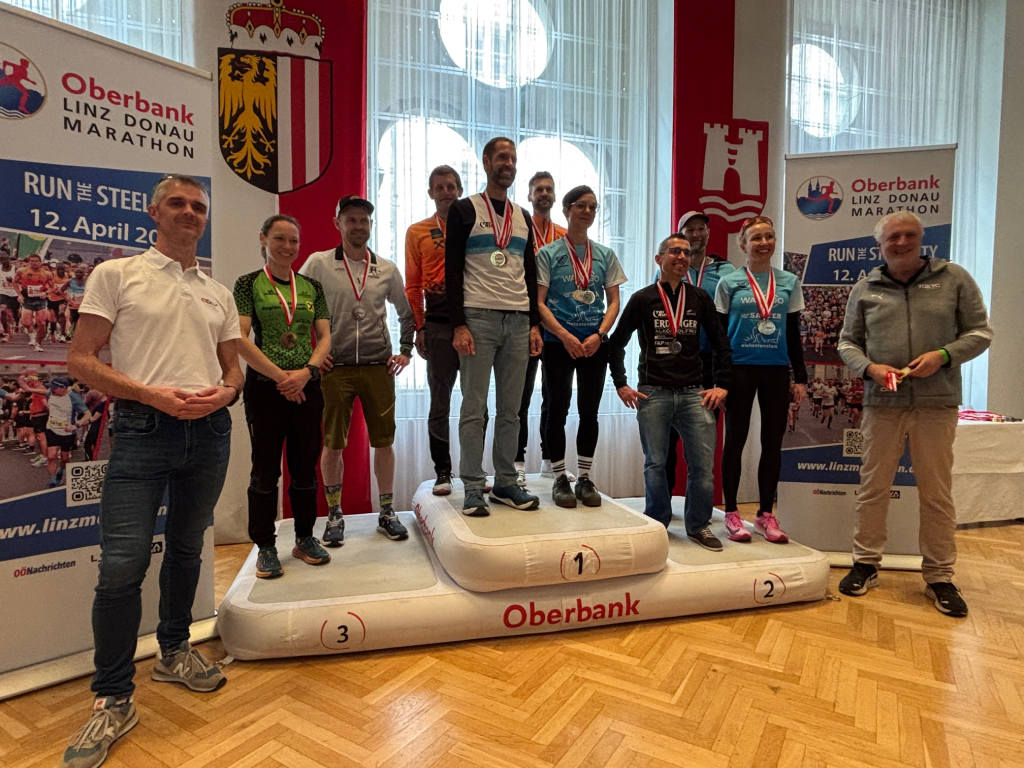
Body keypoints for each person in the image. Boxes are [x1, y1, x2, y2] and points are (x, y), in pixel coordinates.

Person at [62, 174, 243, 768]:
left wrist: (226, 394)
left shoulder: (217, 292)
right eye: (178, 203)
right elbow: (80, 359)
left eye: (198, 206)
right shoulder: (117, 275)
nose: (190, 212)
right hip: (142, 429)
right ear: (153, 212)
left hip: (209, 433)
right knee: (122, 565)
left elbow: (233, 371)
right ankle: (113, 698)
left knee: (188, 549)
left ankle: (173, 652)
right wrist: (148, 394)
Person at [836, 211, 993, 617]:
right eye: (893, 237)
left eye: (909, 235)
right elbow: (847, 342)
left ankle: (939, 576)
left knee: (936, 494)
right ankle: (865, 563)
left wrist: (943, 356)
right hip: (882, 405)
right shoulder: (865, 287)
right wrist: (870, 368)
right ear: (880, 245)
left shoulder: (954, 279)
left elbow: (980, 332)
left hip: (936, 404)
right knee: (872, 488)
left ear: (922, 239)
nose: (902, 242)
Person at [299, 195, 414, 545]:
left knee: (384, 442)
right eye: (351, 220)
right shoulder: (318, 263)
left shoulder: (386, 268)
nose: (358, 226)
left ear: (371, 225)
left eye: (364, 220)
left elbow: (406, 312)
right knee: (333, 443)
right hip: (336, 369)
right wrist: (311, 355)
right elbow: (297, 308)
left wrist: (406, 351)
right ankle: (334, 515)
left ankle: (387, 512)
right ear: (338, 224)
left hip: (379, 368)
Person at [609, 233, 731, 549]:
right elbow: (616, 343)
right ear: (659, 258)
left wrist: (722, 385)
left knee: (702, 466)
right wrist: (621, 383)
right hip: (654, 393)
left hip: (694, 393)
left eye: (686, 253)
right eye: (675, 251)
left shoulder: (700, 298)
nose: (682, 257)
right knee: (655, 463)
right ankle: (657, 522)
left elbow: (721, 344)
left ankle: (699, 525)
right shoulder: (643, 299)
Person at [445, 136, 543, 516]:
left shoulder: (523, 216)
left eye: (513, 159)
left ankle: (505, 482)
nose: (509, 164)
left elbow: (529, 272)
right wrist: (459, 324)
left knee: (511, 411)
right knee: (474, 408)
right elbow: (453, 270)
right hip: (478, 319)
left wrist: (534, 324)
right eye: (502, 157)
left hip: (518, 321)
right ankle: (473, 487)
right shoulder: (464, 209)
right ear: (486, 162)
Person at [233, 214, 332, 579]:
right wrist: (280, 377)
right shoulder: (248, 284)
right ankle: (265, 546)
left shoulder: (311, 287)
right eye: (279, 238)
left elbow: (325, 337)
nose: (287, 246)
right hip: (265, 389)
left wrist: (306, 373)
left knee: (305, 468)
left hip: (307, 387)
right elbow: (239, 337)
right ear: (263, 239)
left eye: (293, 240)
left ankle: (304, 538)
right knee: (264, 471)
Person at [715, 215, 807, 544]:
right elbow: (719, 337)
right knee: (735, 442)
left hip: (776, 370)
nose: (764, 243)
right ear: (744, 244)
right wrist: (720, 379)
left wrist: (801, 377)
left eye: (769, 236)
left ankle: (765, 514)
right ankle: (731, 513)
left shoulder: (788, 282)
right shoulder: (729, 283)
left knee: (772, 443)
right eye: (756, 238)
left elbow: (793, 333)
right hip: (739, 370)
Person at [537, 185, 626, 507]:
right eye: (580, 206)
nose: (587, 211)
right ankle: (560, 477)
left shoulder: (605, 255)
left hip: (593, 344)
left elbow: (614, 302)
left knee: (589, 411)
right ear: (566, 210)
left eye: (592, 206)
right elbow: (539, 303)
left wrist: (599, 335)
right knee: (557, 410)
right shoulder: (547, 254)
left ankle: (585, 478)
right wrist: (564, 335)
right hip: (558, 343)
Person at [404, 165, 475, 496]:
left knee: (476, 402)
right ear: (431, 192)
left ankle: (474, 471)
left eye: (451, 186)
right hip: (437, 324)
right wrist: (419, 326)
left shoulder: (474, 228)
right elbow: (412, 285)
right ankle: (443, 472)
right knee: (439, 402)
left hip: (473, 322)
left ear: (459, 190)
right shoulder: (417, 231)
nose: (446, 192)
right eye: (439, 187)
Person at [664, 211, 735, 495]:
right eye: (689, 229)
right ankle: (662, 504)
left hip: (709, 363)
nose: (696, 234)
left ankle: (699, 507)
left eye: (700, 229)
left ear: (708, 233)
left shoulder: (726, 271)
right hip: (674, 362)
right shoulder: (669, 268)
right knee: (667, 438)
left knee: (703, 439)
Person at [517, 171, 567, 484]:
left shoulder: (564, 235)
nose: (544, 194)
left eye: (549, 189)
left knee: (554, 396)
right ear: (530, 196)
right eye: (539, 189)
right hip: (524, 321)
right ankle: (517, 462)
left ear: (554, 195)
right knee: (519, 397)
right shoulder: (519, 232)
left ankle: (550, 460)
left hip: (555, 322)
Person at [42, 376, 86, 487]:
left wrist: (76, 425)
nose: (52, 390)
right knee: (51, 456)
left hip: (67, 432)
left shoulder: (74, 398)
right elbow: (41, 391)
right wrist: (27, 387)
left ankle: (61, 470)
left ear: (64, 388)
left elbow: (87, 414)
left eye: (55, 388)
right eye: (51, 387)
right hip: (51, 429)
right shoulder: (51, 393)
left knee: (65, 458)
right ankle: (53, 479)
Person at [14, 252, 52, 352]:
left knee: (42, 323)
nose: (34, 263)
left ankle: (38, 343)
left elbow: (52, 287)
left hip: (40, 299)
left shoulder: (46, 274)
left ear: (40, 262)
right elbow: (14, 282)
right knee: (26, 323)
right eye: (32, 261)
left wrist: (46, 293)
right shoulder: (22, 271)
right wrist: (19, 294)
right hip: (27, 299)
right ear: (29, 262)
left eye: (36, 261)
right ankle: (32, 337)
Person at [0, 249, 19, 342]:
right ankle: (6, 332)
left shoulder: (16, 269)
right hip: (3, 293)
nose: (4, 262)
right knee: (3, 311)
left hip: (15, 294)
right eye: (1, 260)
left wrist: (13, 281)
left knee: (15, 314)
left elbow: (23, 281)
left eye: (5, 259)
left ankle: (16, 322)